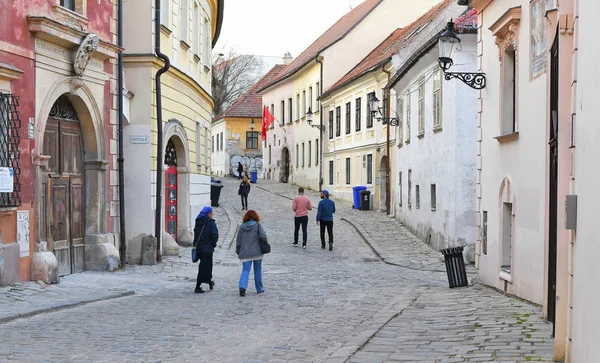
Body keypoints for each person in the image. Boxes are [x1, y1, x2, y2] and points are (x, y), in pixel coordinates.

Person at [235, 210, 267, 296]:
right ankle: (259, 288)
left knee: (245, 270)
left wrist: (238, 251)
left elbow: (238, 241)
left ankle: (242, 287)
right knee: (257, 270)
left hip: (245, 253)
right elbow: (263, 236)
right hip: (257, 252)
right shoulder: (257, 225)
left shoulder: (241, 227)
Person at [193, 206, 219, 293]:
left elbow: (195, 234)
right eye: (212, 213)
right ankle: (198, 286)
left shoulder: (198, 221)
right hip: (207, 248)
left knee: (207, 266)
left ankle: (209, 282)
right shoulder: (210, 223)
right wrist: (213, 244)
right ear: (209, 213)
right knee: (204, 267)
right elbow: (214, 235)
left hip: (199, 247)